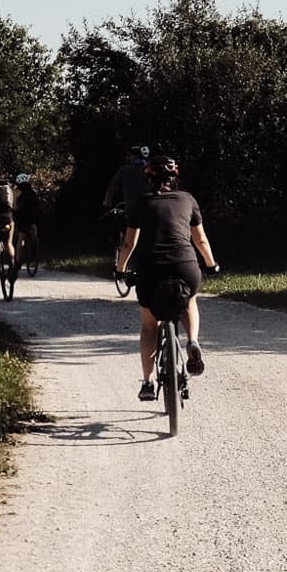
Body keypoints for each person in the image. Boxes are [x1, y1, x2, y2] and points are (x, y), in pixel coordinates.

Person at [113, 154, 219, 402]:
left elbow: (129, 243)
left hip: (150, 269)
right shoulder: (187, 199)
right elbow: (200, 240)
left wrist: (120, 269)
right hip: (185, 266)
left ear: (149, 179)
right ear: (174, 179)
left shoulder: (142, 202)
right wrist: (211, 264)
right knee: (189, 299)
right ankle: (192, 341)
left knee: (150, 324)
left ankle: (148, 382)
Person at [102, 145, 152, 273]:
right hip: (153, 210)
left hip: (132, 211)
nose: (127, 157)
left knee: (128, 240)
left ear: (133, 156)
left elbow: (113, 187)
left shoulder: (124, 170)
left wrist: (107, 201)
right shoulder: (152, 169)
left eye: (129, 155)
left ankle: (121, 268)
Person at [12, 172, 42, 274]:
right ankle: (35, 251)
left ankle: (18, 262)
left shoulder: (17, 192)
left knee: (21, 239)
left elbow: (15, 207)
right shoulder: (33, 192)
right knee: (34, 232)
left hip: (22, 219)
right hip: (33, 219)